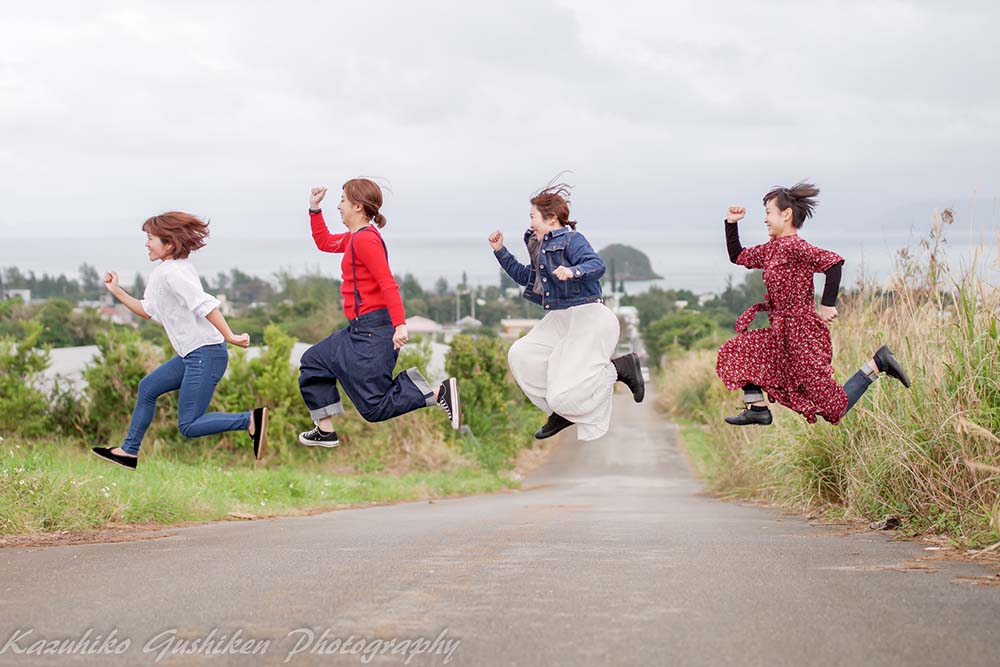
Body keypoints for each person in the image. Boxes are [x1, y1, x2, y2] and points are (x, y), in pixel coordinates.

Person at [716, 182, 910, 426]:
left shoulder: (795, 246)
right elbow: (738, 256)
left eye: (768, 212)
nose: (765, 219)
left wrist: (827, 304)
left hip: (802, 335)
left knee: (833, 409)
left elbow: (833, 263)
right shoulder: (772, 249)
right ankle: (757, 408)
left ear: (785, 214)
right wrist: (731, 223)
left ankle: (878, 363)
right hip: (781, 333)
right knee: (736, 351)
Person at [92, 212, 268, 470]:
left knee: (189, 425)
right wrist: (117, 291)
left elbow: (204, 304)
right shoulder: (164, 271)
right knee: (148, 387)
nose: (146, 243)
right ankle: (128, 451)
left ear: (169, 243)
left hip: (205, 354)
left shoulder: (174, 272)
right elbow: (147, 309)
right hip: (192, 355)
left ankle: (249, 420)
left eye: (150, 238)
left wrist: (230, 335)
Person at [297, 179, 460, 447]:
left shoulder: (365, 241)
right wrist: (315, 209)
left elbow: (387, 283)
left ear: (358, 206)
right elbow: (324, 242)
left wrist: (400, 325)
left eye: (342, 201)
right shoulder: (354, 238)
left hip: (374, 330)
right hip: (358, 329)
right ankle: (325, 429)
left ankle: (437, 392)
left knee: (374, 408)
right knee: (314, 361)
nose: (338, 206)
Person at [488, 182, 644, 442]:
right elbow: (528, 277)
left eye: (532, 216)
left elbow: (597, 264)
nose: (530, 222)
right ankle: (560, 412)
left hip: (588, 316)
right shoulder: (539, 245)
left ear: (550, 218)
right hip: (561, 318)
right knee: (521, 355)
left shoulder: (572, 239)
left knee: (565, 394)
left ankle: (620, 368)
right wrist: (500, 251)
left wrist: (573, 271)